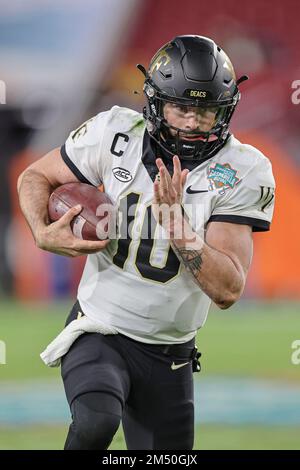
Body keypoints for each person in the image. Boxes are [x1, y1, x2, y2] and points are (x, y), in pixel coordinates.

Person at [17, 35, 275, 450]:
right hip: (100, 326)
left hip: (170, 353)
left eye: (206, 110)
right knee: (95, 422)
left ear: (224, 110)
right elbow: (35, 177)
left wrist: (177, 225)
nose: (193, 122)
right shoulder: (115, 132)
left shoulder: (243, 169)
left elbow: (228, 289)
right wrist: (41, 231)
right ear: (155, 103)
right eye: (182, 108)